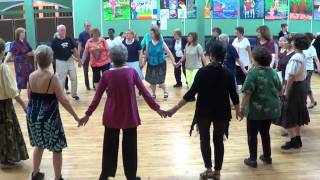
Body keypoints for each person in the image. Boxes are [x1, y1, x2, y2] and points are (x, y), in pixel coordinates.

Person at [79, 44, 167, 180]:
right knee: (130, 148)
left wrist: (87, 114)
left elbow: (96, 98)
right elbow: (145, 92)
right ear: (125, 56)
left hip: (111, 116)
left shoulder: (107, 75)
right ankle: (131, 176)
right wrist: (157, 108)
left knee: (109, 147)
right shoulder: (131, 72)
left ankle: (104, 175)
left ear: (111, 57)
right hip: (129, 115)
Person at [166, 41, 240, 180]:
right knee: (219, 141)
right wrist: (238, 110)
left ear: (210, 55)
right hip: (222, 113)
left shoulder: (202, 72)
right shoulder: (228, 73)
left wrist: (174, 109)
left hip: (204, 112)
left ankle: (208, 169)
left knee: (204, 140)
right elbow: (234, 96)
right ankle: (217, 172)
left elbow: (191, 94)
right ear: (224, 56)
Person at [27, 45, 80, 180]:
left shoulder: (31, 76)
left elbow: (29, 97)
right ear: (51, 60)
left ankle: (35, 174)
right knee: (57, 148)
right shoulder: (53, 77)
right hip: (49, 118)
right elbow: (64, 100)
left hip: (33, 116)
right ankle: (57, 177)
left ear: (37, 60)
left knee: (39, 145)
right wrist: (76, 116)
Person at [240, 47, 282, 168]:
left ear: (256, 60)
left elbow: (247, 93)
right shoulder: (273, 72)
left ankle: (252, 159)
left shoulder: (253, 73)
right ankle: (267, 157)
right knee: (265, 132)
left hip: (255, 111)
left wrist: (242, 108)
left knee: (252, 134)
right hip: (271, 109)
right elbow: (280, 90)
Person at [0, 38, 29, 169]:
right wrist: (23, 105)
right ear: (2, 51)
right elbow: (12, 90)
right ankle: (8, 158)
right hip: (4, 105)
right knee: (7, 130)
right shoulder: (3, 68)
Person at [280, 33, 310, 150]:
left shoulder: (296, 57)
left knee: (291, 113)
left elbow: (291, 76)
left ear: (296, 43)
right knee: (297, 112)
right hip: (301, 86)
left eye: (293, 41)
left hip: (295, 87)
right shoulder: (301, 54)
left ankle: (294, 140)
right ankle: (297, 139)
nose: (291, 42)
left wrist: (286, 91)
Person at [144, 27, 176, 100]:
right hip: (151, 63)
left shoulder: (161, 42)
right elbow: (146, 54)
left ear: (156, 34)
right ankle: (153, 94)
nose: (150, 35)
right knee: (152, 80)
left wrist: (173, 61)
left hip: (160, 63)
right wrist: (143, 63)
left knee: (160, 80)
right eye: (150, 33)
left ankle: (165, 91)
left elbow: (169, 52)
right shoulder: (148, 43)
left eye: (152, 33)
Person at [51, 24, 81, 100]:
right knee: (61, 80)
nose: (63, 31)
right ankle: (61, 96)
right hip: (60, 62)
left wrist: (79, 60)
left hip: (70, 60)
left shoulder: (69, 39)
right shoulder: (54, 42)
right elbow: (51, 53)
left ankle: (74, 94)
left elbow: (74, 50)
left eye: (64, 30)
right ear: (58, 31)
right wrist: (51, 62)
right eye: (61, 30)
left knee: (74, 77)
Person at [303, 32, 320, 109]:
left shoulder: (312, 48)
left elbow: (316, 60)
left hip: (309, 69)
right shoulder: (303, 46)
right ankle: (312, 101)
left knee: (305, 86)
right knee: (306, 86)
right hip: (302, 69)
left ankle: (304, 102)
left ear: (309, 40)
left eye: (305, 38)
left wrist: (318, 69)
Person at [78, 21, 92, 90]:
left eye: (89, 25)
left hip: (92, 53)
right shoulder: (81, 34)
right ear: (84, 26)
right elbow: (79, 45)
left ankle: (95, 85)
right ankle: (87, 85)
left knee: (94, 69)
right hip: (84, 52)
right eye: (86, 25)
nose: (88, 27)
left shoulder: (93, 33)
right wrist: (78, 55)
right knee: (85, 70)